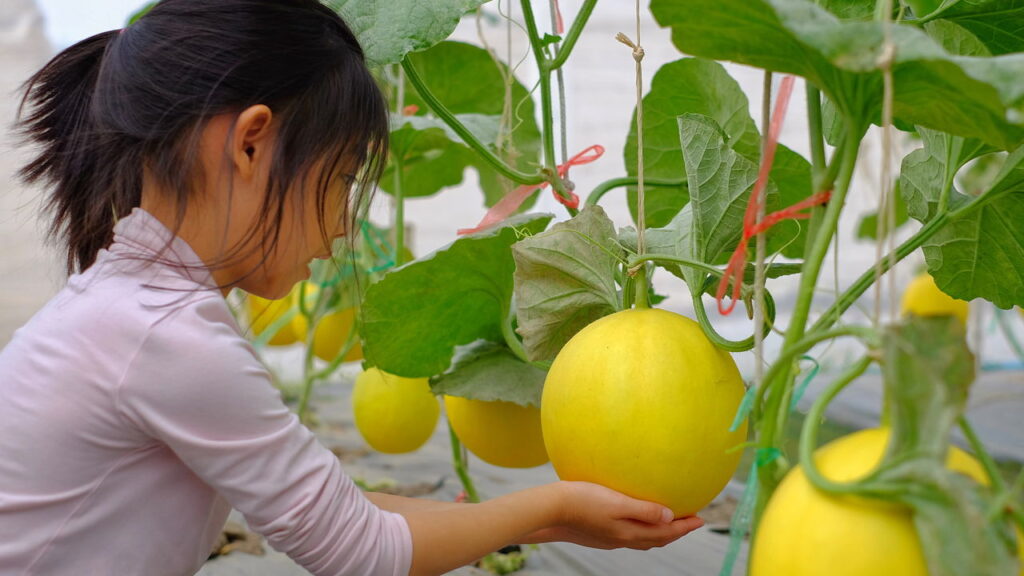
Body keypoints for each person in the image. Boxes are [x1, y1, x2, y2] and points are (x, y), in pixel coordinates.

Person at [0, 1, 704, 574]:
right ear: (250, 143)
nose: (343, 228)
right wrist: (553, 506)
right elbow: (361, 554)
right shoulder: (165, 337)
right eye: (341, 180)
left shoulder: (133, 309)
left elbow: (343, 517)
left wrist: (549, 518)